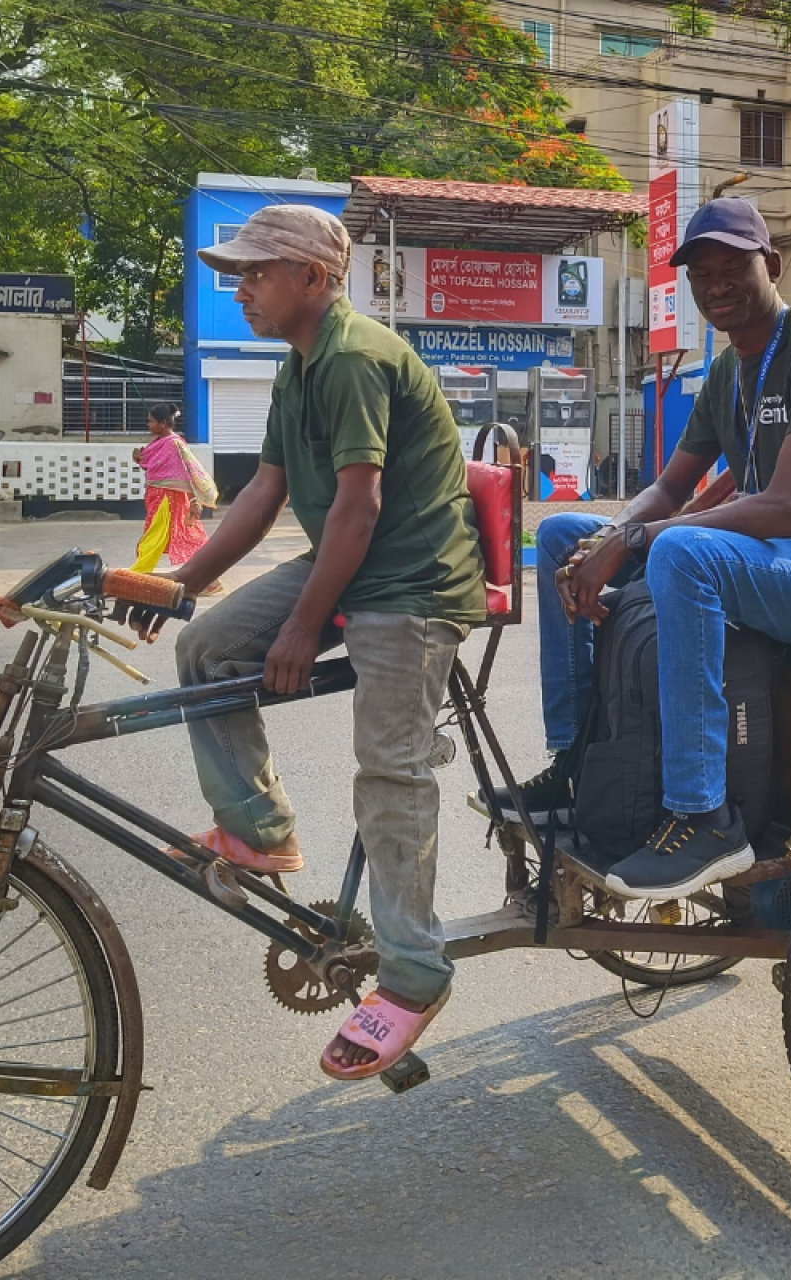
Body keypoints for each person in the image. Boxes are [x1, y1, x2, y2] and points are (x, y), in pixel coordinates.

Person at [143, 204, 486, 1081]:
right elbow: (264, 492)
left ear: (315, 279)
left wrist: (304, 626)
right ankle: (258, 831)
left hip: (408, 583)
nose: (241, 288)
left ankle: (413, 977)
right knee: (207, 651)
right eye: (238, 274)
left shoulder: (354, 358)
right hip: (346, 559)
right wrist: (178, 588)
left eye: (258, 273)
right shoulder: (298, 367)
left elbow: (361, 507)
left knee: (390, 769)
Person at [491, 197, 791, 900]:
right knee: (561, 534)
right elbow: (669, 486)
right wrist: (612, 538)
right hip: (775, 569)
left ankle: (704, 816)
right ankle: (576, 763)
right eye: (701, 272)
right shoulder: (727, 372)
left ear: (770, 266)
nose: (717, 284)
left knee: (681, 552)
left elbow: (786, 505)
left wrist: (643, 540)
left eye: (733, 267)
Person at [131, 402, 221, 591]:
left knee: (153, 539)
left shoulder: (173, 444)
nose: (148, 425)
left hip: (169, 500)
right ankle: (210, 580)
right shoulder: (160, 442)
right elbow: (155, 465)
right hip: (160, 498)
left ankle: (136, 578)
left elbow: (183, 472)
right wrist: (140, 458)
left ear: (163, 423)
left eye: (151, 421)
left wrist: (193, 500)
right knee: (188, 537)